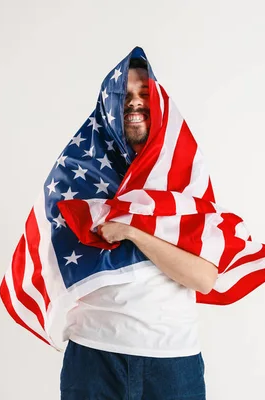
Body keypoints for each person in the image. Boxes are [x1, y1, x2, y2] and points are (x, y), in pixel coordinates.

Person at [59, 57, 218, 400]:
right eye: (123, 93)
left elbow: (204, 278)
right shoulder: (79, 174)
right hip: (93, 356)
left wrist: (133, 232)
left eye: (144, 92)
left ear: (158, 102)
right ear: (108, 104)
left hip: (172, 361)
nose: (133, 101)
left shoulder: (183, 176)